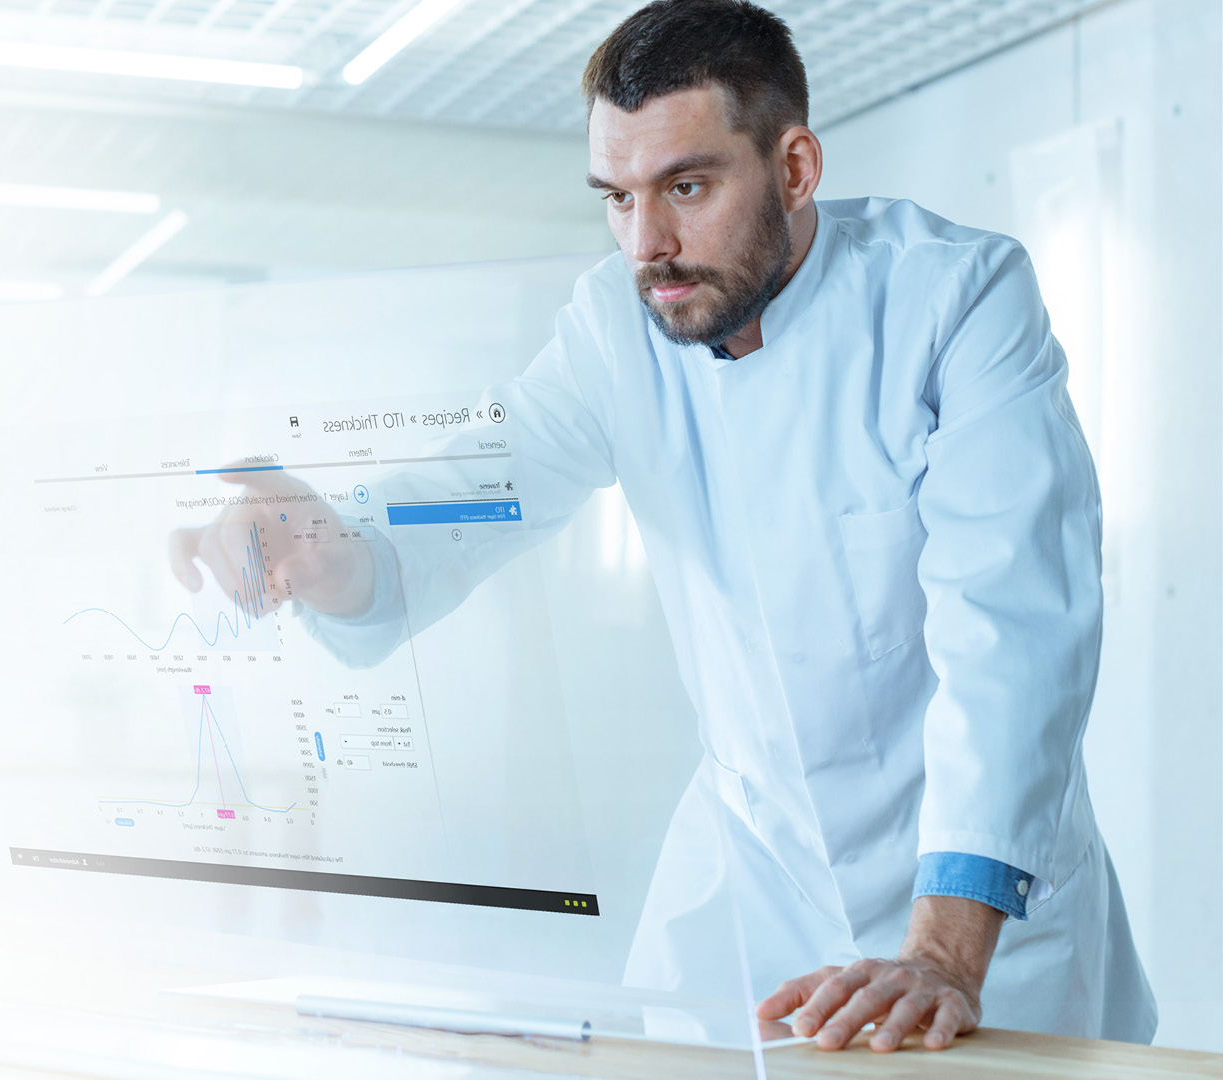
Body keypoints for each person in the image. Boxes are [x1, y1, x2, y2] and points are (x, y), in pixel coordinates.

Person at [170, 0, 1159, 1052]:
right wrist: (333, 552)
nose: (649, 245)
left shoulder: (956, 298)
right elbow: (479, 486)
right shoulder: (616, 326)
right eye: (617, 198)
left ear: (795, 167)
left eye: (686, 187)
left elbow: (1013, 629)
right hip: (753, 880)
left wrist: (945, 951)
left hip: (978, 901)